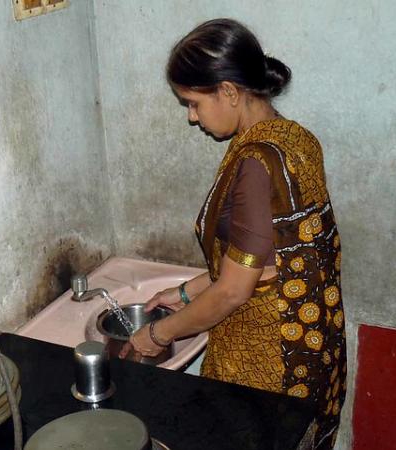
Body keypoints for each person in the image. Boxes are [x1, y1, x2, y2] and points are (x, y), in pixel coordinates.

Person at [120, 18, 346, 449]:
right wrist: (184, 293)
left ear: (228, 91)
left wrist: (156, 335)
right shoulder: (295, 139)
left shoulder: (257, 164)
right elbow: (265, 257)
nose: (191, 118)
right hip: (313, 342)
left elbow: (232, 292)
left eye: (192, 103)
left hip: (267, 358)